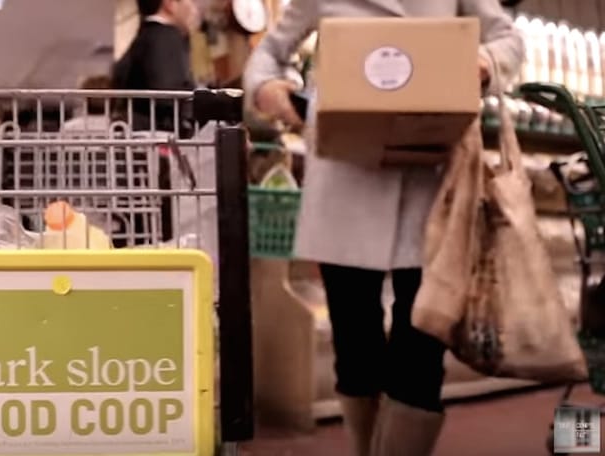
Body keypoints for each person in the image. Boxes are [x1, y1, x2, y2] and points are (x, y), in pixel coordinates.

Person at [243, 1, 523, 455]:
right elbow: (269, 51)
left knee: (422, 353)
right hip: (344, 181)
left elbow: (508, 38)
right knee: (356, 353)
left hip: (430, 189)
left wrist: (481, 63)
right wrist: (269, 89)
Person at [112, 0, 201, 135]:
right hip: (160, 138)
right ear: (170, 4)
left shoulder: (146, 37)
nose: (193, 8)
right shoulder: (165, 38)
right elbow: (168, 93)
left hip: (139, 134)